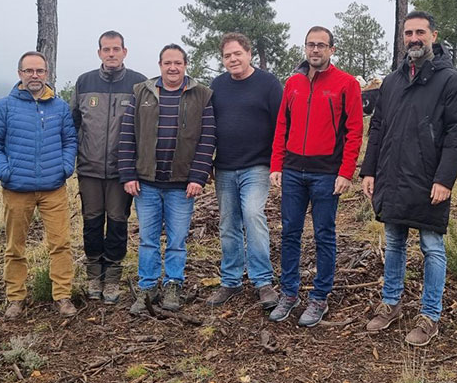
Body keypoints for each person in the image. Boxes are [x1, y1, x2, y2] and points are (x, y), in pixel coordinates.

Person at [360, 11, 457, 346]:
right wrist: (369, 169)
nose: (414, 39)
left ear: (434, 35)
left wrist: (445, 179)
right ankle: (391, 304)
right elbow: (378, 127)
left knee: (431, 247)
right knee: (393, 242)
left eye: (420, 32)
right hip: (393, 176)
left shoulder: (450, 81)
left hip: (429, 180)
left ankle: (429, 316)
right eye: (408, 33)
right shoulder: (393, 81)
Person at [268, 26, 363, 327]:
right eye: (311, 45)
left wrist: (346, 172)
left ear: (332, 50)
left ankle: (320, 297)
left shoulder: (346, 84)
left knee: (324, 235)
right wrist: (276, 165)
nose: (316, 50)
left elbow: (355, 131)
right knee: (290, 232)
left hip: (326, 174)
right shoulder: (293, 83)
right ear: (305, 48)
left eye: (322, 45)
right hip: (294, 171)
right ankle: (288, 293)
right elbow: (282, 124)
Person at [119, 44, 216, 314]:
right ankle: (148, 287)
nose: (172, 67)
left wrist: (198, 176)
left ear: (186, 64)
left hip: (182, 185)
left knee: (176, 240)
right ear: (160, 65)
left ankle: (174, 284)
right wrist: (128, 173)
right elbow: (128, 135)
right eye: (167, 63)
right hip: (146, 183)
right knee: (148, 240)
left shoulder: (202, 95)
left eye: (178, 62)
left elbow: (207, 139)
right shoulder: (142, 92)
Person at [0, 51, 78, 318]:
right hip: (17, 189)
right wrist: (5, 171)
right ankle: (16, 297)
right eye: (29, 71)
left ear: (46, 74)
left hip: (54, 188)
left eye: (39, 71)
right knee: (15, 246)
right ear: (19, 74)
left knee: (60, 244)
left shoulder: (59, 107)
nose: (34, 76)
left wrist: (64, 167)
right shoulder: (3, 106)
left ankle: (62, 296)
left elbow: (70, 140)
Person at [204, 33, 281, 309]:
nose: (233, 59)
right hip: (224, 167)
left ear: (248, 53)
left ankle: (263, 282)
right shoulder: (218, 86)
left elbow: (281, 125)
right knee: (228, 223)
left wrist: (277, 163)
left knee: (253, 215)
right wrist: (206, 163)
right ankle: (231, 281)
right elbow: (208, 127)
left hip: (257, 166)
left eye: (237, 53)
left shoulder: (268, 84)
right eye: (227, 56)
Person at [71, 31, 146, 303]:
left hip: (122, 171)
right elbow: (73, 123)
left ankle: (112, 278)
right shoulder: (84, 82)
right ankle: (94, 274)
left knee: (117, 222)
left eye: (116, 49)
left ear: (125, 51)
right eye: (106, 49)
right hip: (89, 168)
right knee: (91, 223)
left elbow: (145, 127)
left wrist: (136, 167)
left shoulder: (139, 83)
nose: (111, 54)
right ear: (99, 52)